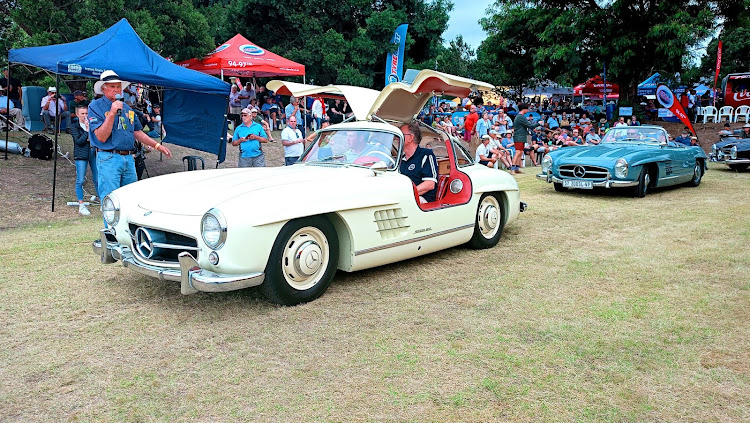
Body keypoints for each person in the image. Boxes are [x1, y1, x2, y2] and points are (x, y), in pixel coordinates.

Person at [88, 70, 172, 214]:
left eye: (118, 87)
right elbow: (101, 137)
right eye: (112, 86)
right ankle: (111, 235)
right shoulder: (95, 107)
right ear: (104, 88)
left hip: (128, 157)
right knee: (110, 200)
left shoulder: (127, 107)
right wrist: (112, 112)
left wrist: (157, 145)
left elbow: (137, 132)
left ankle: (127, 234)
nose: (116, 90)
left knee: (130, 198)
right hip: (109, 158)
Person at [399, 122, 438, 203]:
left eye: (401, 134)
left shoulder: (426, 154)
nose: (397, 138)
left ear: (410, 137)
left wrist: (407, 194)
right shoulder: (401, 160)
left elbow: (430, 184)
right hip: (405, 198)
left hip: (422, 200)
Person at [70, 105, 98, 216]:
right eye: (82, 113)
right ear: (77, 114)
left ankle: (102, 199)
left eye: (86, 113)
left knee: (97, 178)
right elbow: (79, 141)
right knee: (80, 179)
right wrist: (87, 131)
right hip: (81, 154)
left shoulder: (93, 124)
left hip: (93, 152)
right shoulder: (74, 127)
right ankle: (81, 204)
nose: (85, 116)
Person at [511, 103, 539, 174]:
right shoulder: (520, 117)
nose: (528, 110)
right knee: (517, 152)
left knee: (520, 152)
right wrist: (538, 123)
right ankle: (512, 169)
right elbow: (530, 125)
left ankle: (516, 168)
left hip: (521, 137)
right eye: (527, 109)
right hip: (519, 137)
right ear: (524, 109)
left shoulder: (520, 116)